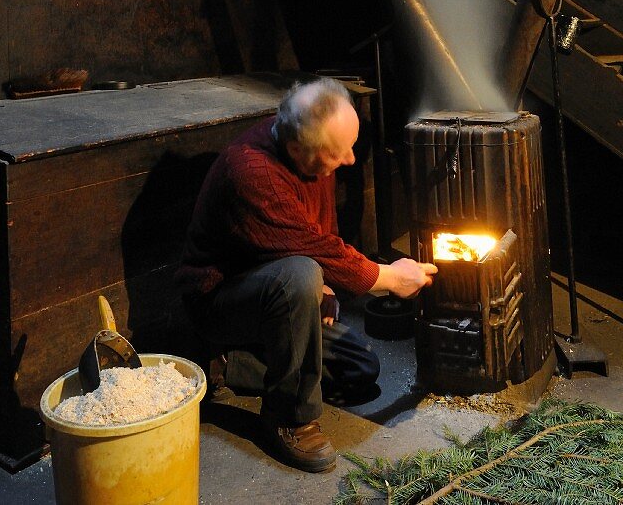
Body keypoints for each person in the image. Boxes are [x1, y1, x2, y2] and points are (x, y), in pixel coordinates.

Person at [176, 77, 437, 474]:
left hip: (280, 297)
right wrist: (390, 277)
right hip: (224, 304)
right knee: (299, 276)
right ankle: (289, 418)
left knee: (359, 370)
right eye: (340, 152)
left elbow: (319, 236)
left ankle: (230, 366)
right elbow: (310, 254)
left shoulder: (312, 151)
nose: (350, 160)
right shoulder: (253, 173)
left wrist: (328, 291)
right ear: (298, 147)